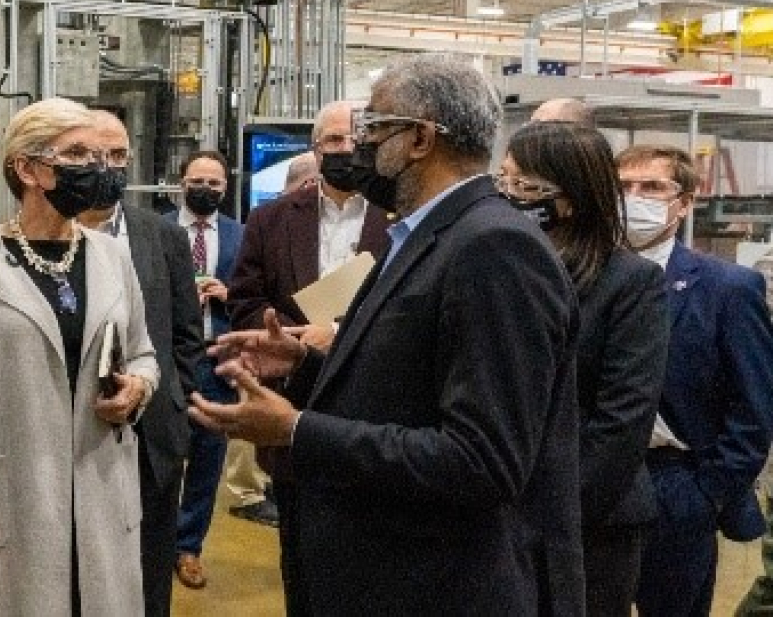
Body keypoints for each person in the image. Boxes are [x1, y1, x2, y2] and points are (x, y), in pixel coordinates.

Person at [195, 53, 584, 615]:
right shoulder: (423, 236)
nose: (359, 148)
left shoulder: (492, 247)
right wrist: (304, 365)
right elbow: (411, 384)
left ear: (422, 139)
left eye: (373, 129)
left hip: (436, 584)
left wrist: (297, 429)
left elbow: (483, 459)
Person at [0, 97, 160, 616]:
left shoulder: (110, 255)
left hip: (104, 490)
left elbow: (144, 354)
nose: (96, 169)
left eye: (101, 156)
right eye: (76, 153)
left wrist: (138, 388)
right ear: (27, 168)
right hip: (14, 498)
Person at [224, 98, 392, 616]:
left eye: (355, 140)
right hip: (297, 411)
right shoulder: (271, 219)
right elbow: (244, 301)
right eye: (333, 141)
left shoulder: (401, 218)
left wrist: (338, 334)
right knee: (303, 567)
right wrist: (291, 342)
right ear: (315, 150)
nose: (345, 150)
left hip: (381, 413)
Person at [501, 121, 669, 616]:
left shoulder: (630, 283)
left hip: (590, 522)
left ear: (571, 199)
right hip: (503, 512)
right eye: (503, 181)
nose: (509, 197)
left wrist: (553, 514)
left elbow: (622, 422)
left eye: (525, 188)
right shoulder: (504, 267)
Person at [619, 144, 773, 617]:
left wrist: (708, 493)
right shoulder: (584, 277)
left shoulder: (727, 289)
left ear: (684, 202)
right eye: (624, 187)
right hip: (601, 480)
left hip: (678, 482)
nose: (635, 198)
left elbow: (754, 407)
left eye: (652, 187)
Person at [77, 110, 202, 617]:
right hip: (78, 431)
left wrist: (175, 404)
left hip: (153, 436)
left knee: (150, 571)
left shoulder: (161, 235)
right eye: (95, 155)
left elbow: (187, 335)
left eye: (119, 155)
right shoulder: (44, 237)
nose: (108, 166)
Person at [169, 150, 244, 591]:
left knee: (207, 457)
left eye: (214, 184)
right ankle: (155, 540)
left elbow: (254, 295)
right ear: (182, 182)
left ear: (225, 188)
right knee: (161, 456)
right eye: (198, 181)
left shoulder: (241, 235)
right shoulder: (159, 231)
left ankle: (189, 546)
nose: (206, 189)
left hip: (217, 358)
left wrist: (228, 294)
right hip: (168, 357)